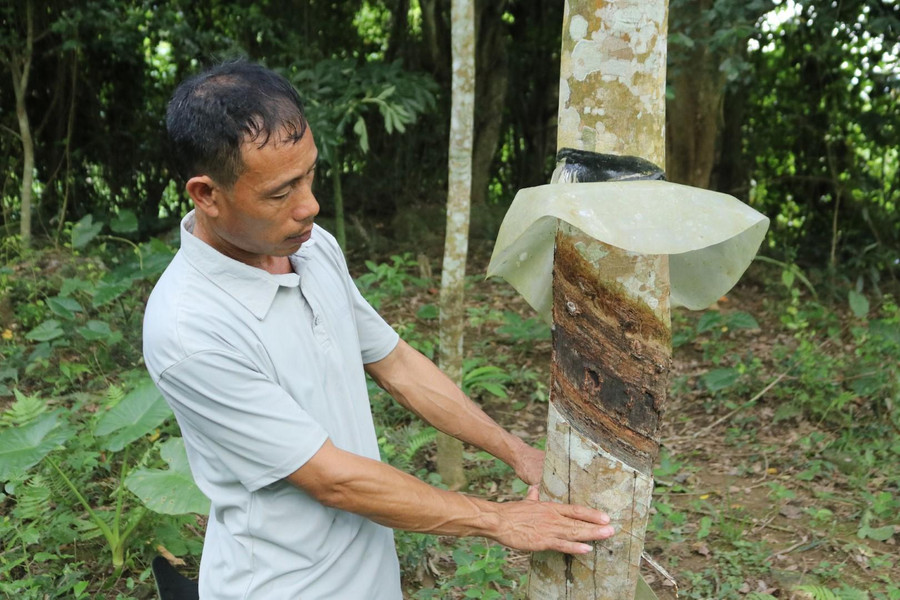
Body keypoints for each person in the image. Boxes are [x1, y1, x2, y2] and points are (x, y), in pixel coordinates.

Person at [143, 60, 615, 600]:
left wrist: (515, 451)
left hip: (369, 570)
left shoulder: (312, 249)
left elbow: (395, 364)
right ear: (206, 194)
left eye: (309, 175)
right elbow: (331, 478)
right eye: (280, 192)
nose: (310, 206)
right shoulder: (190, 330)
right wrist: (497, 521)